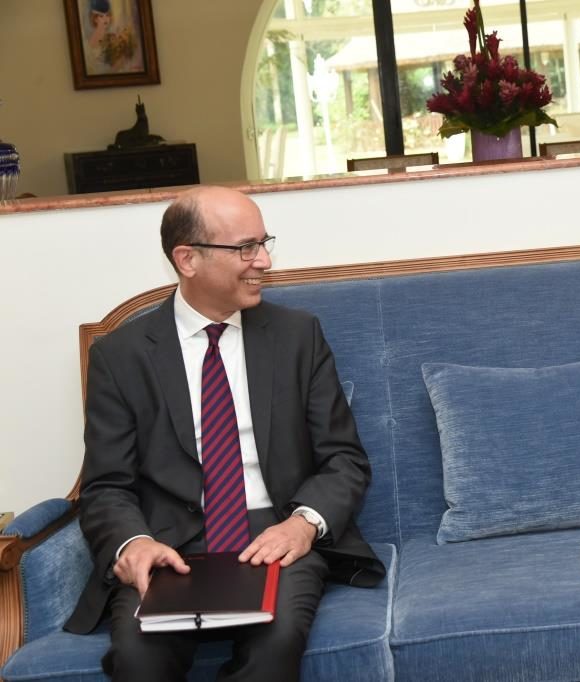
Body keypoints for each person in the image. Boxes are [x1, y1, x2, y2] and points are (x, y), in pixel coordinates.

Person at [64, 186, 385, 682]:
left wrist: (302, 525)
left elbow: (344, 458)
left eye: (264, 242)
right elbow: (106, 485)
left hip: (275, 534)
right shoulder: (121, 356)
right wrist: (134, 544)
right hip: (170, 545)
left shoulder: (297, 336)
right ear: (187, 259)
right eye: (246, 248)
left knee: (275, 643)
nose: (265, 260)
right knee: (139, 656)